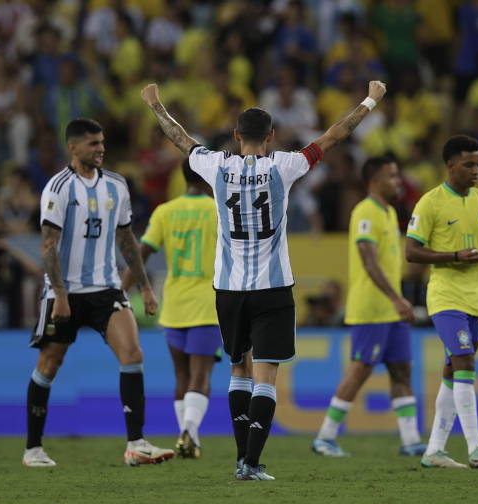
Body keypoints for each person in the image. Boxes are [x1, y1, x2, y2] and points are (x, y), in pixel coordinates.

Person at [141, 79, 387, 481]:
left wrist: (155, 105)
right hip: (272, 288)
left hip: (228, 288)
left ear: (236, 136)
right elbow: (335, 136)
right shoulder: (284, 166)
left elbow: (181, 139)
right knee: (266, 375)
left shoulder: (215, 165)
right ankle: (250, 463)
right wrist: (370, 100)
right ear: (271, 137)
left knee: (238, 370)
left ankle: (242, 459)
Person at [23, 118, 173, 468]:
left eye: (102, 142)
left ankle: (136, 444)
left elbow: (127, 240)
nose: (101, 148)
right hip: (66, 292)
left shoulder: (117, 186)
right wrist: (59, 294)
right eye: (93, 143)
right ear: (73, 148)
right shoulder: (58, 188)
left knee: (133, 354)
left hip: (105, 288)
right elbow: (48, 246)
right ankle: (33, 448)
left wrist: (145, 287)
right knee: (48, 364)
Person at [406, 135, 478, 469]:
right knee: (465, 362)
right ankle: (475, 447)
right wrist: (453, 255)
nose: (475, 170)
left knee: (453, 371)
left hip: (476, 300)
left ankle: (434, 450)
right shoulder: (430, 203)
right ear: (450, 165)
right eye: (468, 164)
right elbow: (412, 251)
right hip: (445, 296)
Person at [312, 155, 425, 458]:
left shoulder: (388, 212)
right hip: (373, 309)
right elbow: (368, 259)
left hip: (392, 310)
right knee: (360, 371)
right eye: (392, 176)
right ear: (375, 179)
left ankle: (411, 440)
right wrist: (397, 297)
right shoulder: (365, 211)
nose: (398, 181)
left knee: (402, 372)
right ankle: (325, 437)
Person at [122, 159, 220, 459]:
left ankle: (190, 439)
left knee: (181, 375)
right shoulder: (220, 210)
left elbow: (142, 252)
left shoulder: (165, 211)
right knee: (200, 376)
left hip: (174, 303)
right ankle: (188, 431)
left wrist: (123, 289)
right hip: (208, 303)